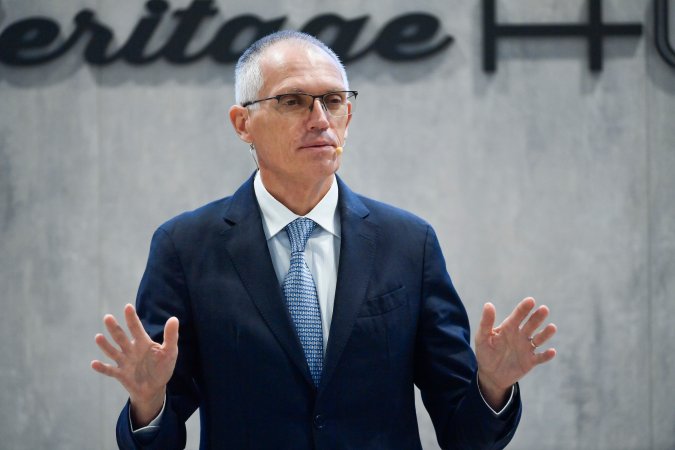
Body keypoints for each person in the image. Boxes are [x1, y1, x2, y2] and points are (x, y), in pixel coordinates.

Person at [91, 30, 557, 450]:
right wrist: (149, 402)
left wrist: (492, 388)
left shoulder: (408, 243)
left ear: (348, 116)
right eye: (292, 101)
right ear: (242, 123)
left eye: (333, 101)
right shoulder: (185, 247)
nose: (319, 119)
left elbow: (465, 436)